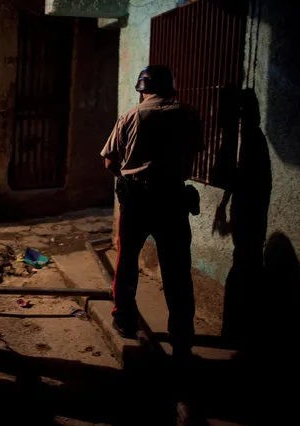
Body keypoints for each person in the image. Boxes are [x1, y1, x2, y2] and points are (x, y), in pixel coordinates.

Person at [100, 65, 204, 359]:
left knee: (128, 260)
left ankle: (124, 320)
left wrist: (130, 172)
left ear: (141, 88)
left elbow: (109, 162)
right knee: (177, 270)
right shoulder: (189, 113)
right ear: (171, 88)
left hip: (137, 200)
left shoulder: (133, 115)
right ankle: (182, 337)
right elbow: (195, 153)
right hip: (173, 198)